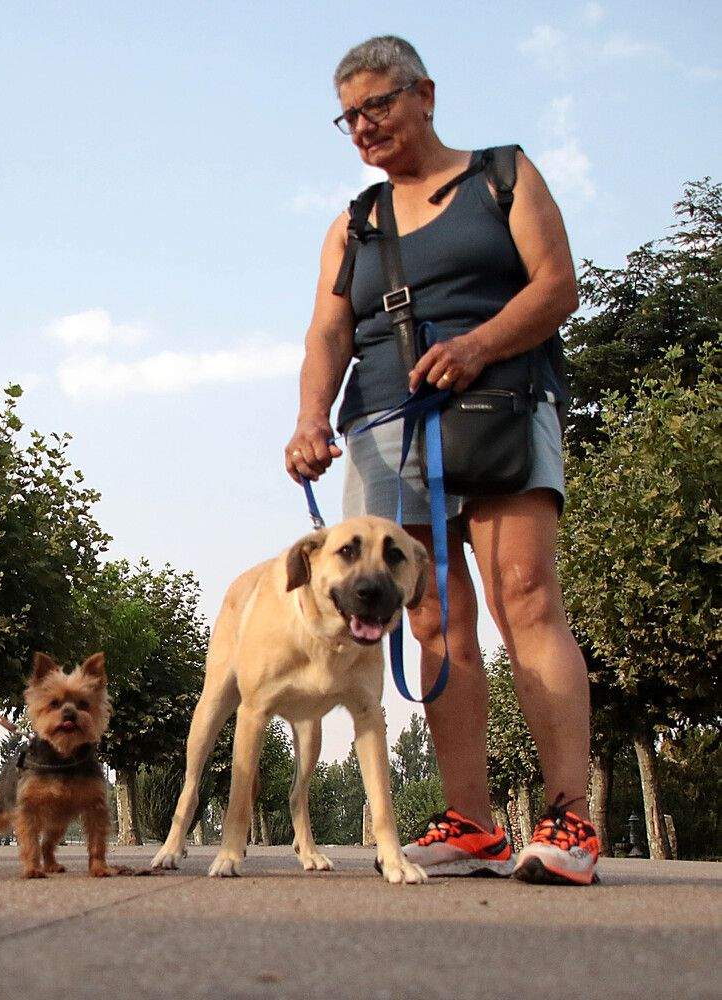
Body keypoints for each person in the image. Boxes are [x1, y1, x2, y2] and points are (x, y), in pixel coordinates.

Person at [285, 36, 600, 885]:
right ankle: (473, 822)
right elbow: (329, 330)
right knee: (429, 620)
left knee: (526, 598)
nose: (363, 127)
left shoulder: (504, 176)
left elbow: (557, 285)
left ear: (424, 92)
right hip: (385, 428)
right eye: (348, 116)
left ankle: (569, 818)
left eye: (377, 105)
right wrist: (312, 417)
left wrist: (478, 346)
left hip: (500, 405)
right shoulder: (353, 223)